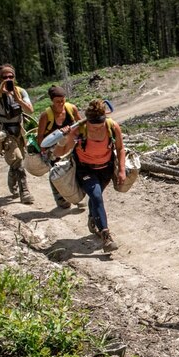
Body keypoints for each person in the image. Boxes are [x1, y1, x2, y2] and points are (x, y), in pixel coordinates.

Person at [55, 99, 127, 252]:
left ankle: (93, 217)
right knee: (96, 196)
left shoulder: (112, 127)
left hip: (106, 169)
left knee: (96, 195)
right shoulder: (79, 130)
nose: (96, 129)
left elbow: (120, 149)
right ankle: (106, 237)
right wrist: (64, 138)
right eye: (93, 127)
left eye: (99, 126)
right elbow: (59, 153)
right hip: (85, 169)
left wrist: (121, 170)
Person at [0, 64, 34, 203]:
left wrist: (18, 100)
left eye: (10, 76)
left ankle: (12, 182)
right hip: (4, 131)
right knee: (17, 159)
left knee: (19, 159)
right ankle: (25, 192)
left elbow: (30, 110)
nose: (8, 79)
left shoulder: (20, 91)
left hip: (19, 130)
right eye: (4, 77)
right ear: (0, 79)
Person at [36, 86, 82, 210]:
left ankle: (76, 197)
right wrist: (43, 151)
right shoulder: (46, 115)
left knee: (75, 169)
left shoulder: (71, 109)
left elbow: (81, 125)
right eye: (57, 101)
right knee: (56, 172)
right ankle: (60, 198)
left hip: (70, 144)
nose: (61, 104)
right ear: (52, 101)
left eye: (62, 100)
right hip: (53, 148)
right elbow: (40, 137)